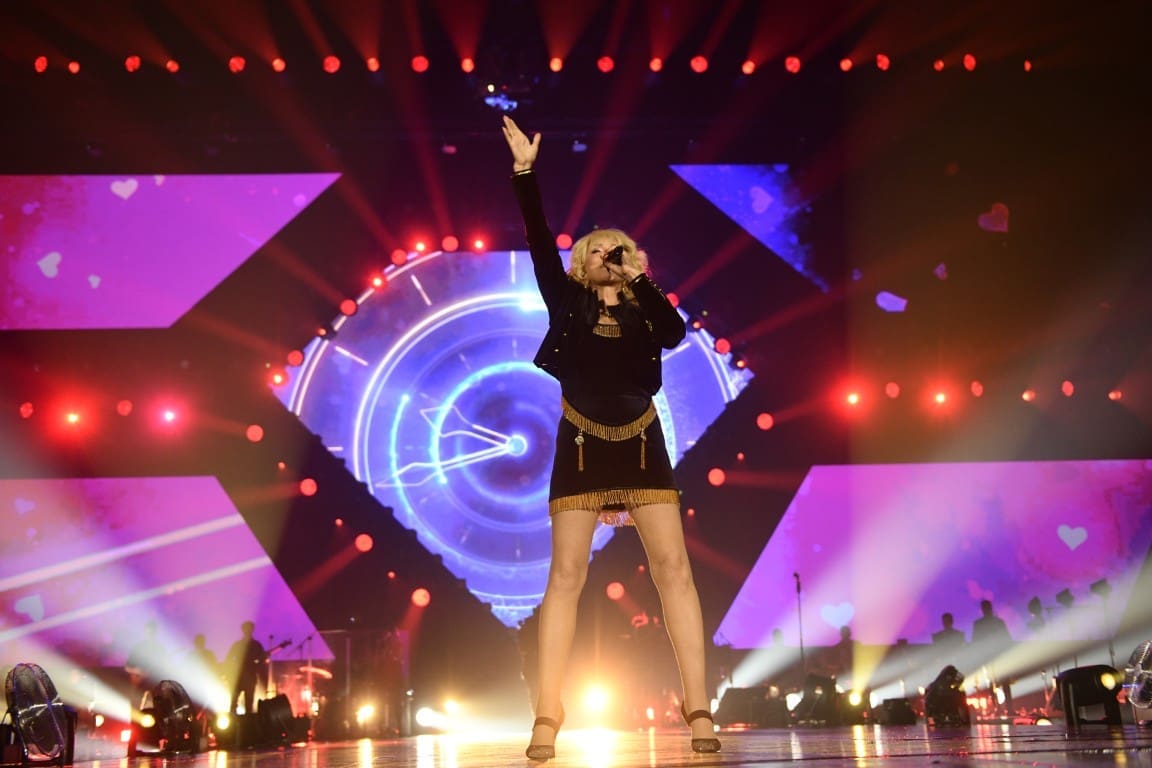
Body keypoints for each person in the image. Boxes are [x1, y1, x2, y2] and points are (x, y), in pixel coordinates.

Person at [501, 115, 720, 759]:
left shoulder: (647, 309)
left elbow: (675, 334)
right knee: (566, 575)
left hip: (643, 442)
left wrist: (638, 279)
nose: (606, 254)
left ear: (632, 260)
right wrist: (525, 173)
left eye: (616, 248)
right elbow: (538, 239)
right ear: (579, 264)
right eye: (596, 249)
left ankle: (699, 709)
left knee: (674, 570)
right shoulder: (566, 301)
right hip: (580, 443)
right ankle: (547, 714)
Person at [225, 620, 268, 715]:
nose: (247, 631)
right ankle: (236, 719)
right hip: (241, 677)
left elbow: (262, 660)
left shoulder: (255, 645)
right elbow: (229, 659)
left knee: (247, 702)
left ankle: (243, 720)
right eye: (246, 629)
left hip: (247, 676)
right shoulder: (250, 645)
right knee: (236, 701)